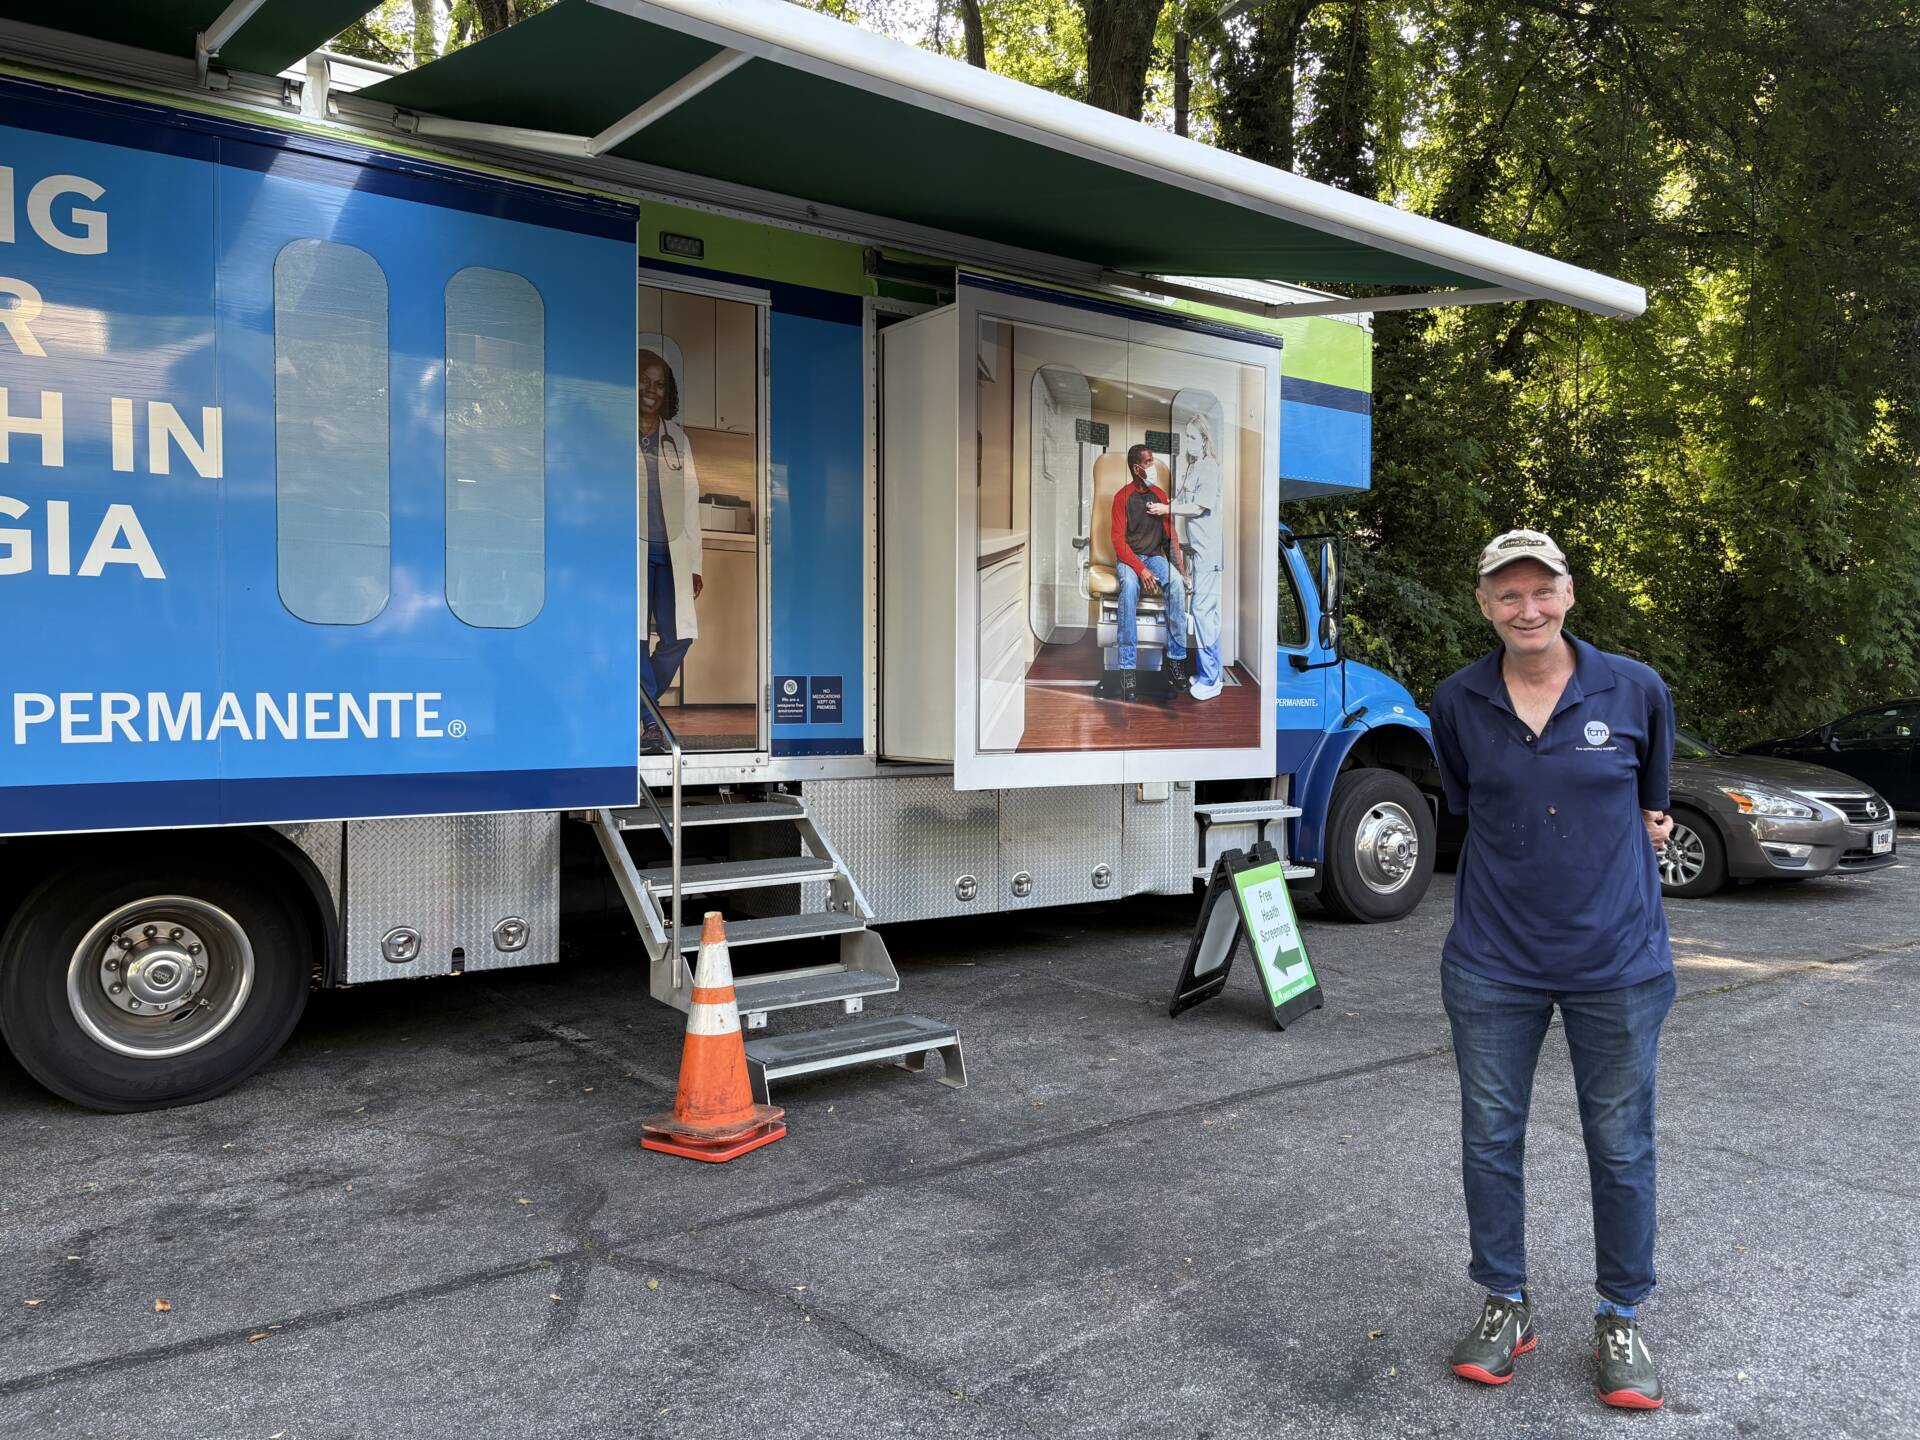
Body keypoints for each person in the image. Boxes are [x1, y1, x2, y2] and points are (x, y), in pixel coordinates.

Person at [1428, 529, 1677, 1411]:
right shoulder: (1456, 701)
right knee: (1491, 1141)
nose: (1525, 608)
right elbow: (1468, 804)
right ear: (1484, 606)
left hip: (1619, 964)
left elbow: (1651, 805)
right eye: (1507, 594)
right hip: (1494, 964)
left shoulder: (1636, 688)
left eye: (1541, 590)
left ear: (1569, 594)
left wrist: (1644, 830)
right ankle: (1506, 1303)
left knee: (1620, 1146)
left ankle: (1621, 1314)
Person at [637, 349, 702, 739]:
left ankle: (643, 705)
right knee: (636, 635)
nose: (651, 389)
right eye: (644, 380)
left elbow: (691, 501)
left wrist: (695, 563)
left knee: (680, 635)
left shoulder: (677, 438)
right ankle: (650, 720)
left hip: (672, 552)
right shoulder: (616, 431)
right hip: (632, 551)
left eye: (659, 383)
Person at [1149, 414, 1223, 699]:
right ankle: (1208, 672)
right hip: (1198, 551)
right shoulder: (1193, 467)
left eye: (1193, 437)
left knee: (1204, 614)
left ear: (1204, 439)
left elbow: (1198, 508)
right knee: (1206, 614)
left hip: (1210, 552)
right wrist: (1167, 504)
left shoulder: (1209, 467)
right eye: (1187, 436)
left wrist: (1167, 510)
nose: (1188, 442)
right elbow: (1183, 500)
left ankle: (1212, 679)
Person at [1109, 444, 1189, 704]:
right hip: (1129, 558)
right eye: (1149, 462)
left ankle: (1176, 662)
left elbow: (1170, 538)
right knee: (1129, 588)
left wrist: (1182, 571)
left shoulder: (1160, 495)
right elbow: (1118, 542)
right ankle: (1128, 669)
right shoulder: (1122, 497)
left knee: (1176, 585)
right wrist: (1139, 568)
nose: (1153, 466)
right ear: (1137, 468)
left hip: (1154, 557)